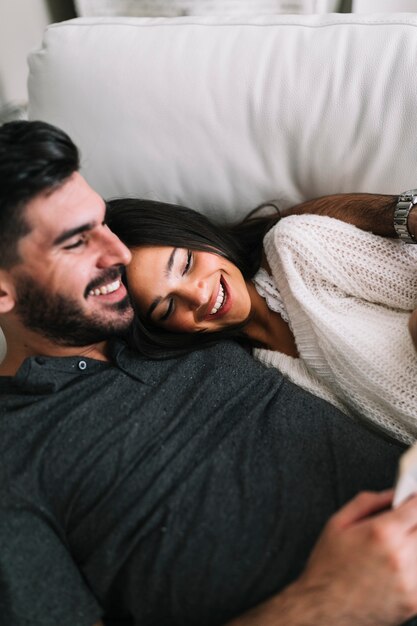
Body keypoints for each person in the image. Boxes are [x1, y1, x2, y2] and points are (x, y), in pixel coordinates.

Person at [1, 120, 417, 626]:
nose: (118, 254)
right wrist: (327, 601)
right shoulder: (13, 451)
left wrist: (399, 212)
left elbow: (270, 248)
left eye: (102, 224)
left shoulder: (161, 324)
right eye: (75, 243)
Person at [105, 195, 417, 445]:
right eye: (169, 307)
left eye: (186, 263)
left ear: (197, 235)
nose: (198, 296)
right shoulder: (246, 378)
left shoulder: (293, 249)